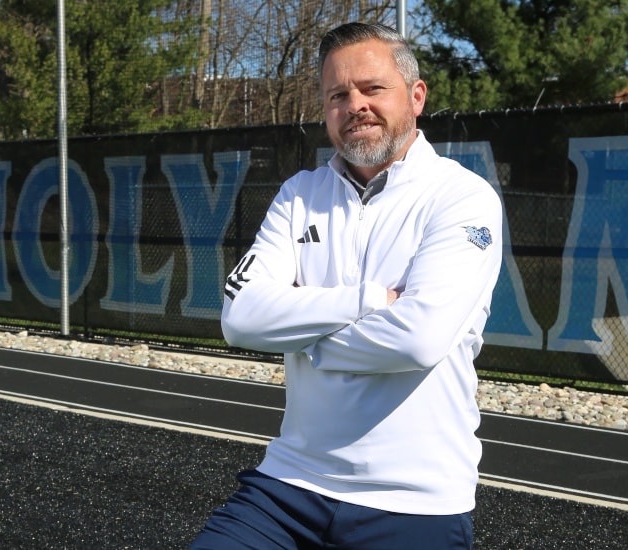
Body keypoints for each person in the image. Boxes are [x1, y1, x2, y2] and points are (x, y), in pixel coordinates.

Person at [192, 22, 503, 549]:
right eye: (338, 94)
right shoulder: (299, 193)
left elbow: (417, 339)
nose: (355, 104)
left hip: (414, 500)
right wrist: (366, 300)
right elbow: (240, 317)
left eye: (372, 88)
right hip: (289, 483)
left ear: (416, 96)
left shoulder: (462, 199)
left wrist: (303, 337)